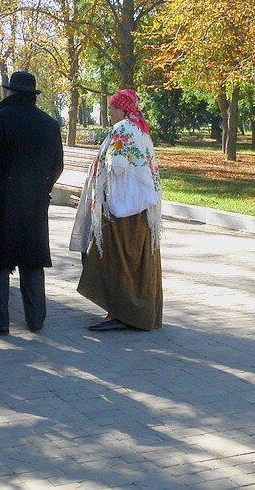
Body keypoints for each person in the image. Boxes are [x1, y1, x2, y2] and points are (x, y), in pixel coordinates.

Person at [0, 71, 63, 336]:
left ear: (9, 92)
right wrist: (43, 188)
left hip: (1, 201)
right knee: (32, 258)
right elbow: (58, 165)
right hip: (34, 202)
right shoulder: (50, 124)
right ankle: (36, 318)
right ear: (32, 95)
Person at [70, 89, 163, 331]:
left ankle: (120, 313)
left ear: (123, 109)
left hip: (122, 209)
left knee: (116, 260)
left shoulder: (123, 129)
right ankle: (138, 313)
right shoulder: (141, 129)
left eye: (112, 108)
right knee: (137, 261)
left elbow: (117, 166)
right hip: (141, 209)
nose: (109, 112)